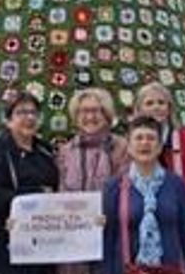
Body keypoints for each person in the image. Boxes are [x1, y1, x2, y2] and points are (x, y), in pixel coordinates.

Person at [0, 91, 60, 274]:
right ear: (8, 120)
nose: (29, 118)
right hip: (7, 247)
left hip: (43, 243)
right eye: (21, 112)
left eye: (33, 113)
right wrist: (35, 194)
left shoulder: (45, 151)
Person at [103, 116, 185, 274]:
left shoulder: (176, 185)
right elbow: (109, 240)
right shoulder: (115, 187)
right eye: (138, 138)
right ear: (129, 147)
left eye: (151, 138)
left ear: (160, 147)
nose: (145, 143)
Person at [57, 88, 129, 274]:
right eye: (84, 111)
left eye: (96, 110)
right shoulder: (65, 152)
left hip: (111, 238)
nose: (90, 116)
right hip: (73, 244)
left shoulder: (122, 148)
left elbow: (127, 193)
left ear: (106, 114)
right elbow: (58, 196)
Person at [134, 82, 185, 258]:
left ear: (169, 108)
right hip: (142, 221)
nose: (156, 107)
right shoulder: (131, 141)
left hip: (180, 219)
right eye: (149, 103)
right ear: (139, 108)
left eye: (161, 102)